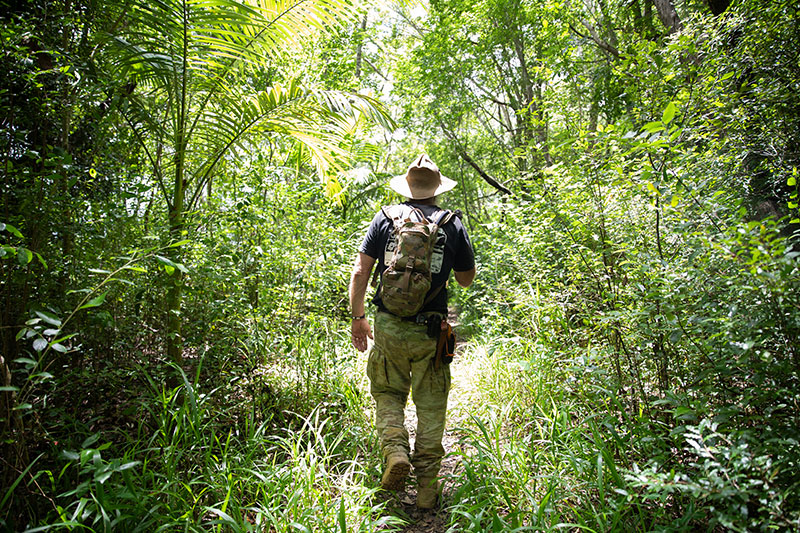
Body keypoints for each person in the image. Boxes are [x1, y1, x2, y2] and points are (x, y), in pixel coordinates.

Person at [348, 154, 476, 509]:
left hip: (387, 326)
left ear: (407, 187)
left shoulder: (385, 218)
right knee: (431, 406)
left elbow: (360, 271)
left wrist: (358, 317)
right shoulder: (452, 224)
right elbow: (465, 280)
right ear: (436, 190)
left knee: (387, 393)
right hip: (430, 331)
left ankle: (395, 451)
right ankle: (426, 491)